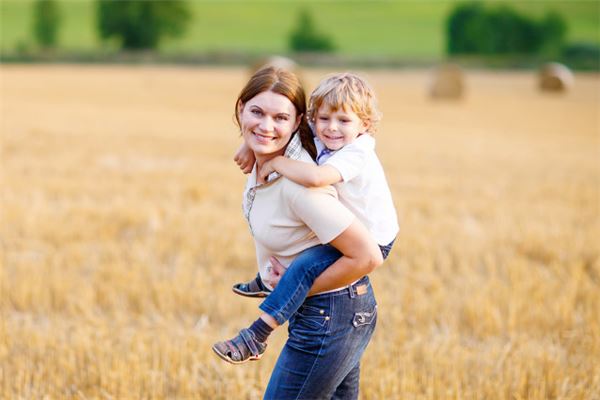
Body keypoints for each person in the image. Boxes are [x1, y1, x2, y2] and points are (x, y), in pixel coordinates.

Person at [212, 66, 386, 399]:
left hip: (331, 313)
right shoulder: (268, 158)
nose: (266, 126)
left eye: (280, 117)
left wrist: (296, 289)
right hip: (336, 311)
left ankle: (256, 333)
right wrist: (254, 147)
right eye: (257, 113)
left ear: (295, 122)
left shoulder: (300, 185)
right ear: (240, 110)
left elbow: (367, 256)